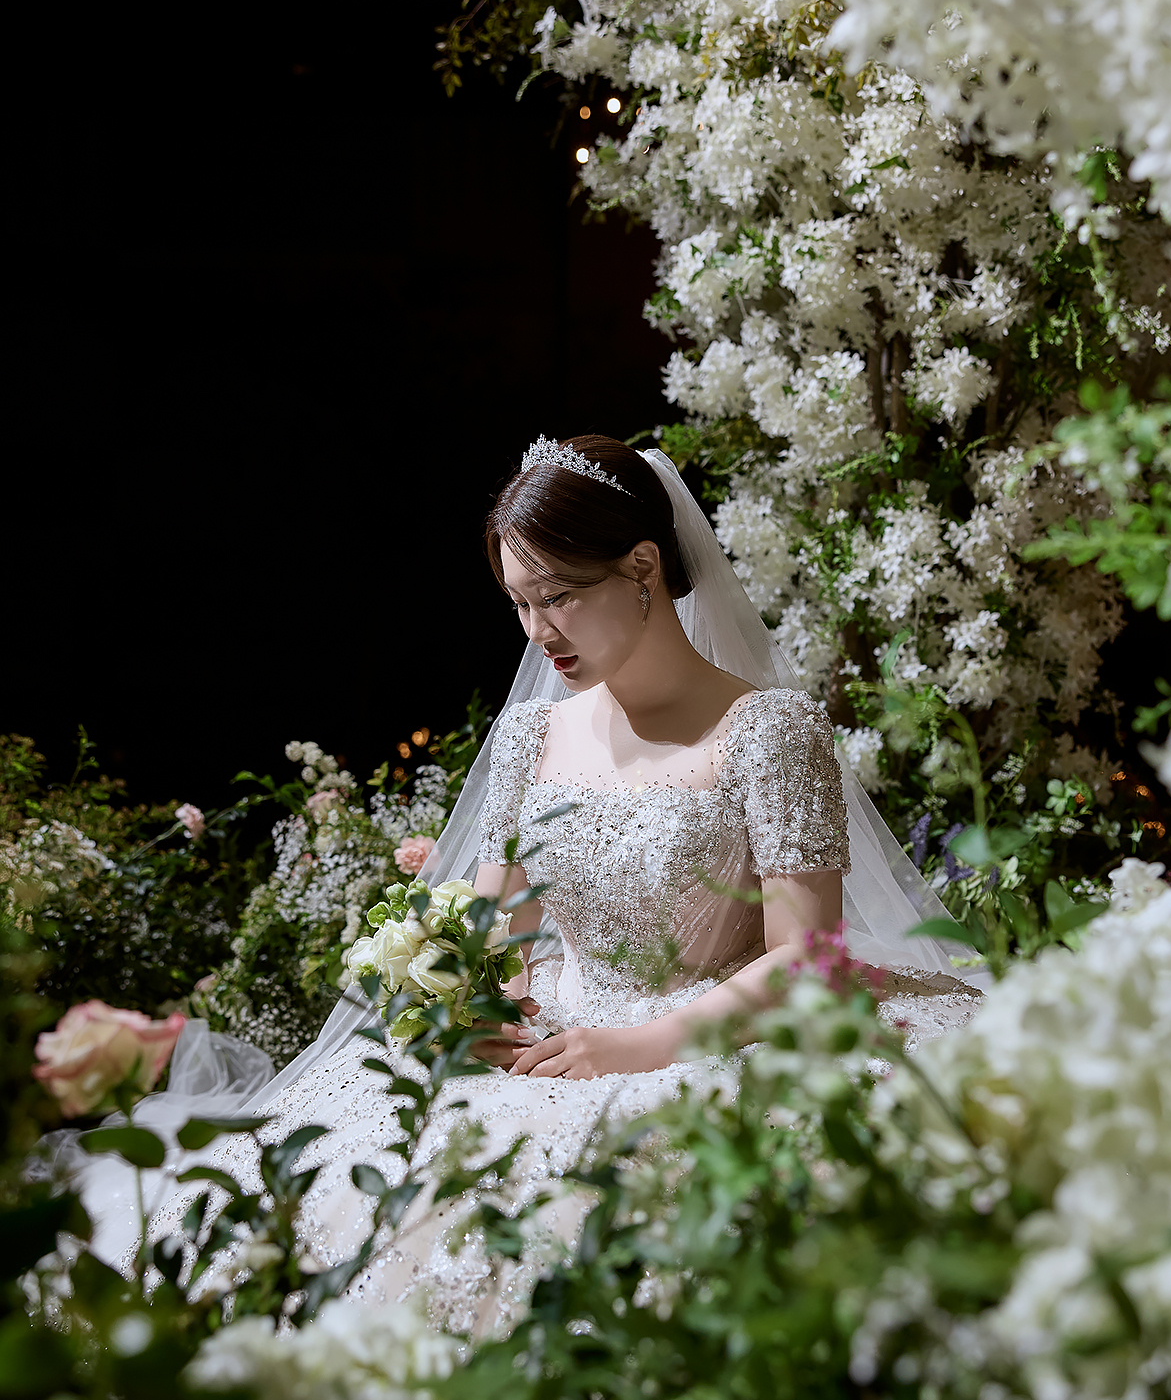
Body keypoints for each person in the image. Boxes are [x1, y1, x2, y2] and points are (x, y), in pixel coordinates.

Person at [92, 437, 981, 1333]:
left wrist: (639, 1046)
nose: (536, 631)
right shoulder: (530, 737)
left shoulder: (769, 730)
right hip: (552, 1034)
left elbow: (809, 956)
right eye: (520, 603)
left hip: (713, 1036)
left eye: (558, 597)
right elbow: (494, 933)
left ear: (643, 568)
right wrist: (472, 1005)